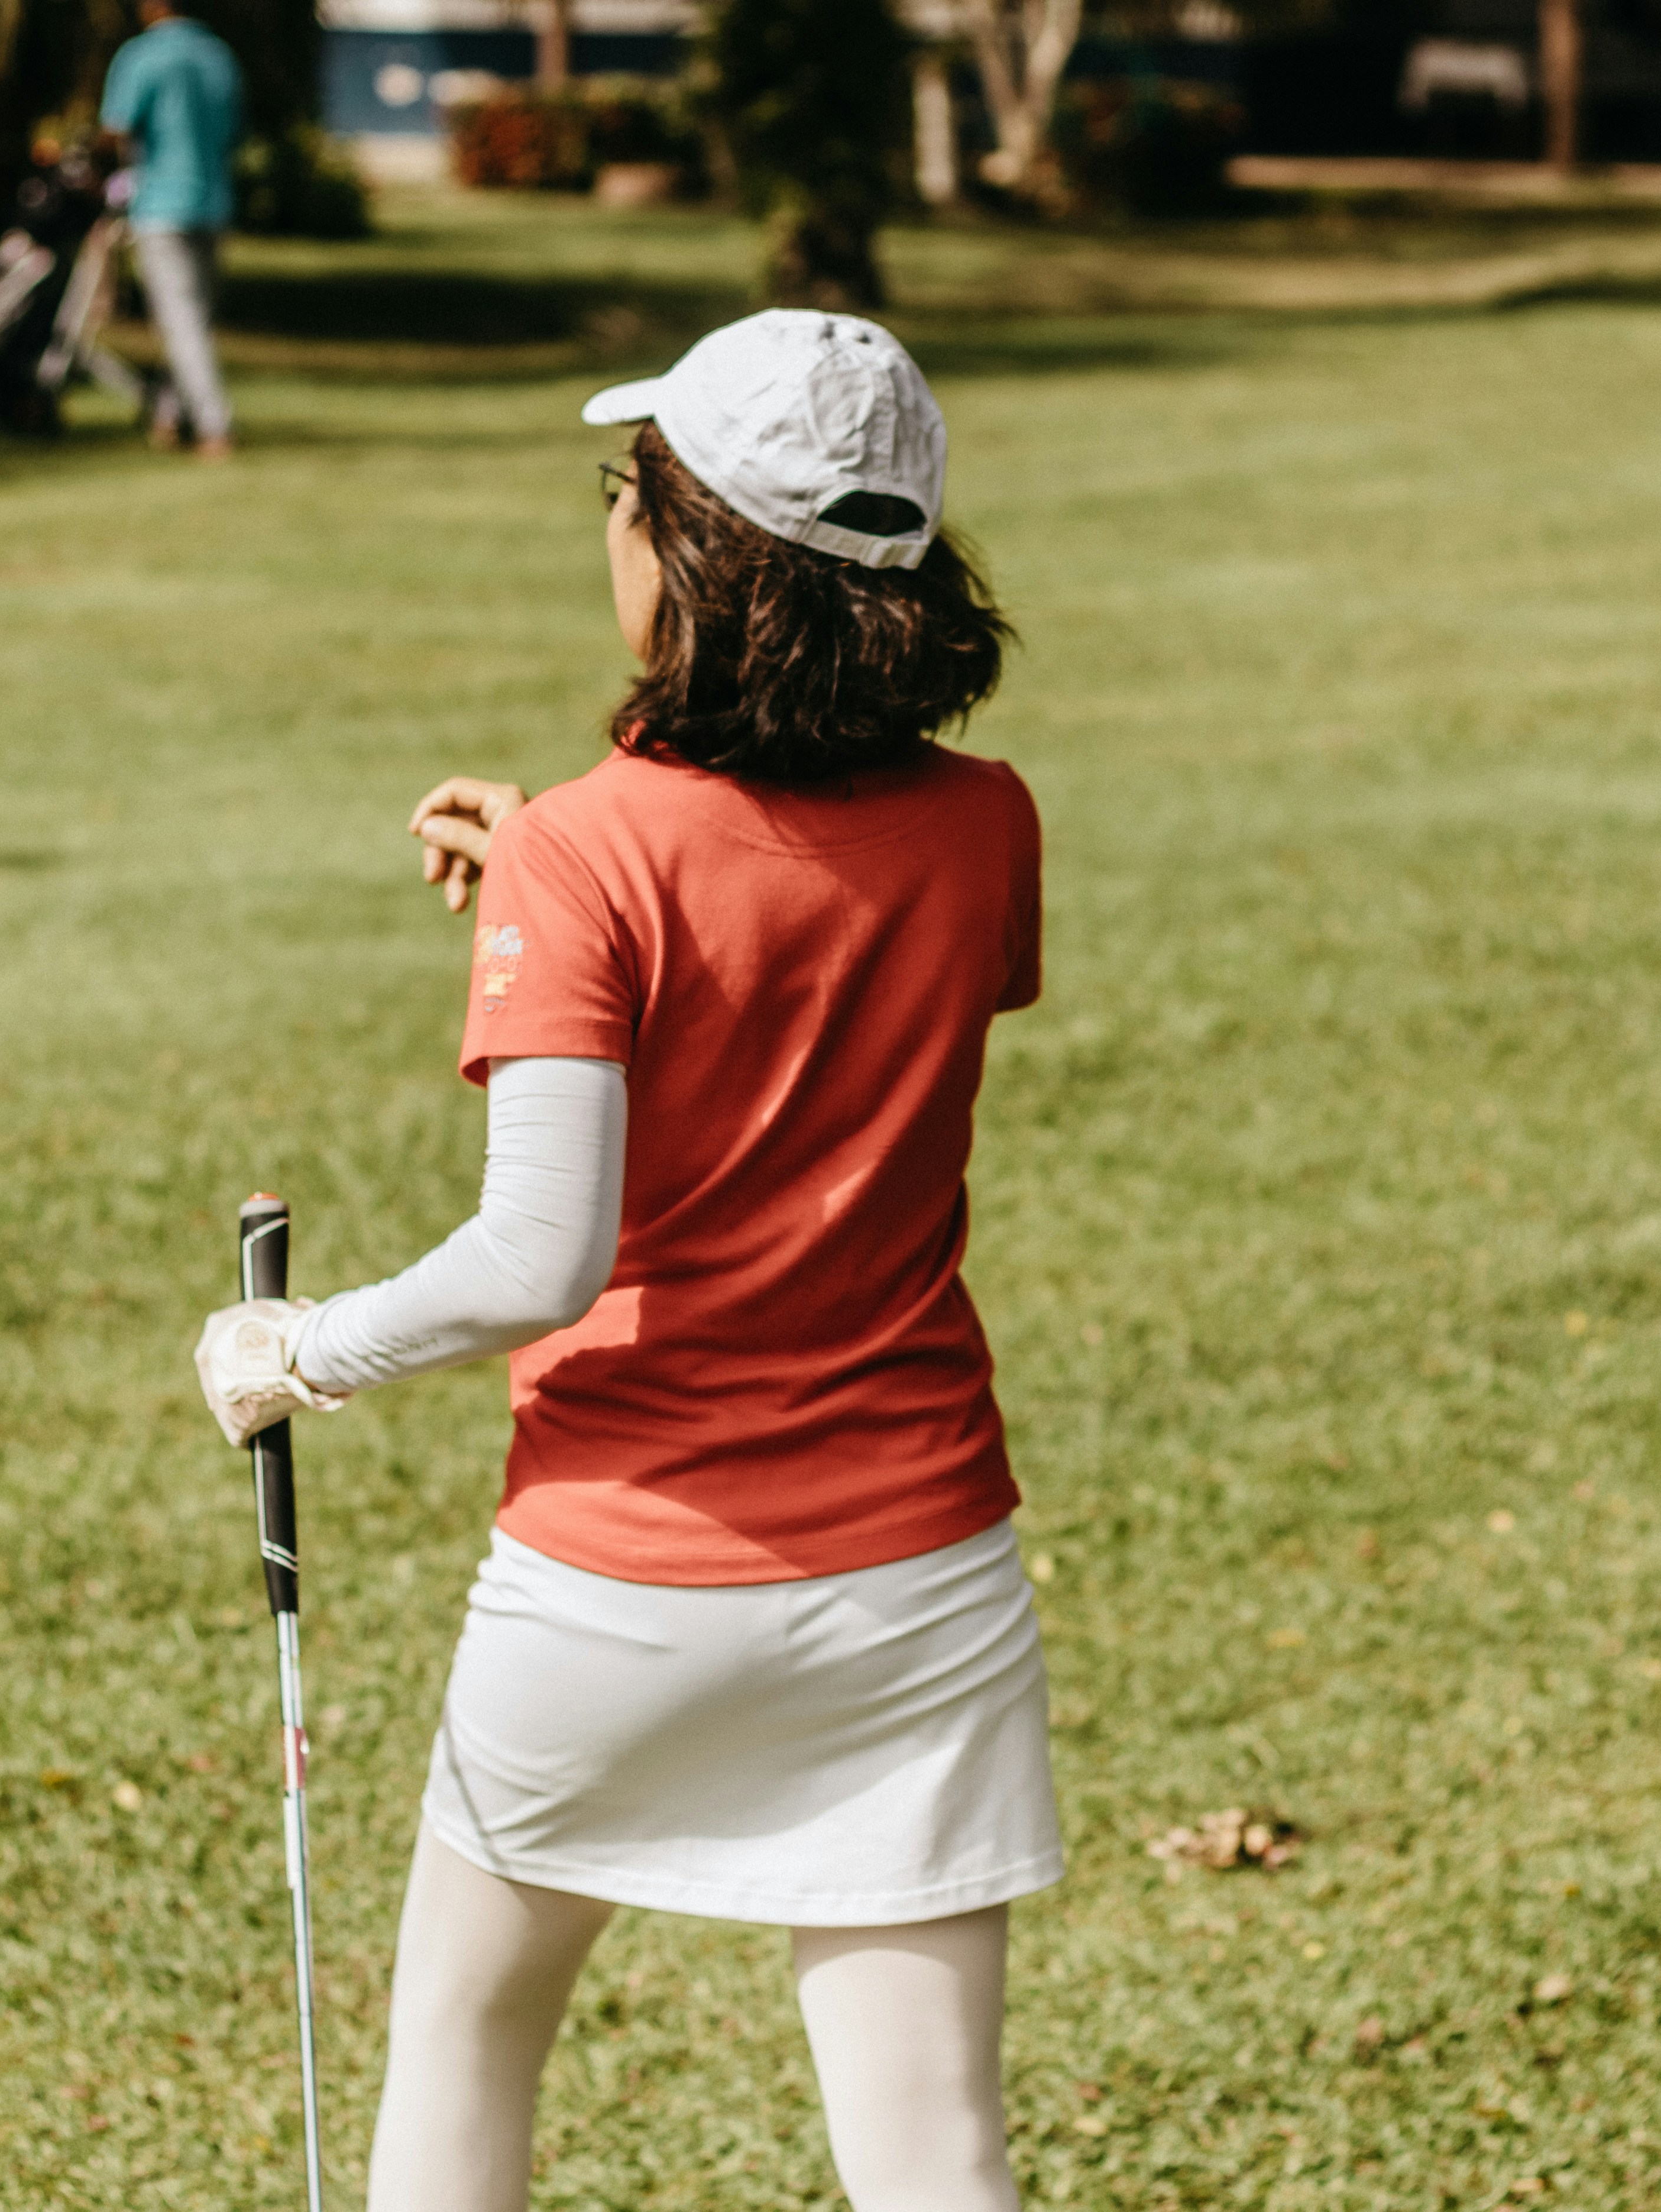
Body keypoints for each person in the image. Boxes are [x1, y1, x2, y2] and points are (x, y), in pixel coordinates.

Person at [193, 311, 1044, 2212]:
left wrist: (292, 1347)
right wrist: (558, 883)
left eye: (626, 493)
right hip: (922, 1574)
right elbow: (802, 950)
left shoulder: (595, 853)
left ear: (692, 560)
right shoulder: (991, 824)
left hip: (622, 1580)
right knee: (933, 2146)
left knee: (468, 2046)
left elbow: (537, 1255)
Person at [98, 0, 241, 461]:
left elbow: (116, 127)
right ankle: (168, 416)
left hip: (160, 203)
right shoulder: (218, 56)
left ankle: (214, 425)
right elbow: (233, 130)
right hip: (213, 201)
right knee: (193, 318)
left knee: (182, 321)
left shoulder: (142, 56)